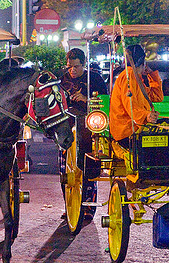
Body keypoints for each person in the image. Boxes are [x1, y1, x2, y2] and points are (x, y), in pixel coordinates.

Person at [59, 48, 108, 220]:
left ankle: (87, 207)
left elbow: (104, 102)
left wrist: (86, 100)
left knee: (87, 168)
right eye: (70, 67)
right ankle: (70, 206)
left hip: (88, 130)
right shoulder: (61, 80)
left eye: (76, 67)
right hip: (66, 129)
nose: (73, 70)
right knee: (65, 172)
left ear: (84, 64)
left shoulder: (94, 79)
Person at [109, 44, 164, 148]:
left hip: (137, 129)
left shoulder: (137, 77)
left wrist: (152, 75)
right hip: (127, 132)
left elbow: (157, 97)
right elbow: (130, 105)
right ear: (143, 62)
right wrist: (146, 115)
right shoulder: (128, 76)